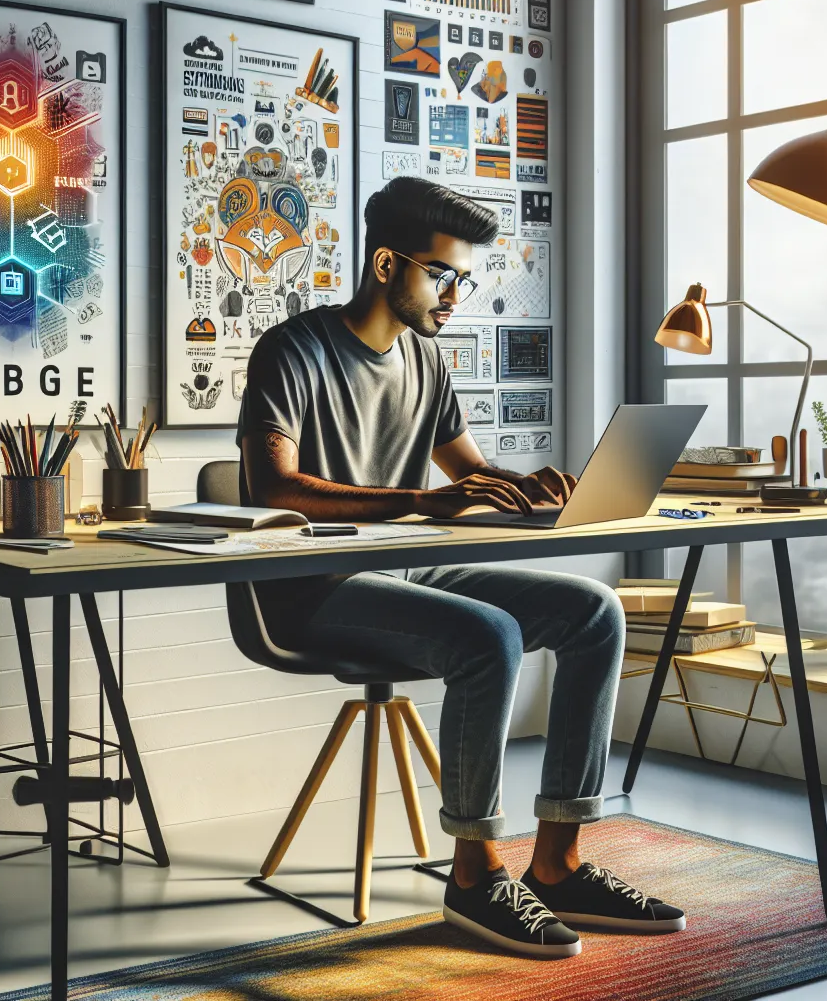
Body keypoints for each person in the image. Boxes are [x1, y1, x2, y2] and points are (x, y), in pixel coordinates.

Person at [236, 177, 684, 958]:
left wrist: (531, 489)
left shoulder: (426, 359)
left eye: (463, 280)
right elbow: (275, 487)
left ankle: (558, 864)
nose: (455, 297)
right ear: (386, 265)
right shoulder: (292, 350)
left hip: (409, 574)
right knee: (488, 636)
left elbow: (470, 474)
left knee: (594, 613)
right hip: (311, 590)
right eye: (442, 275)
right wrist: (420, 499)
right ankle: (474, 877)